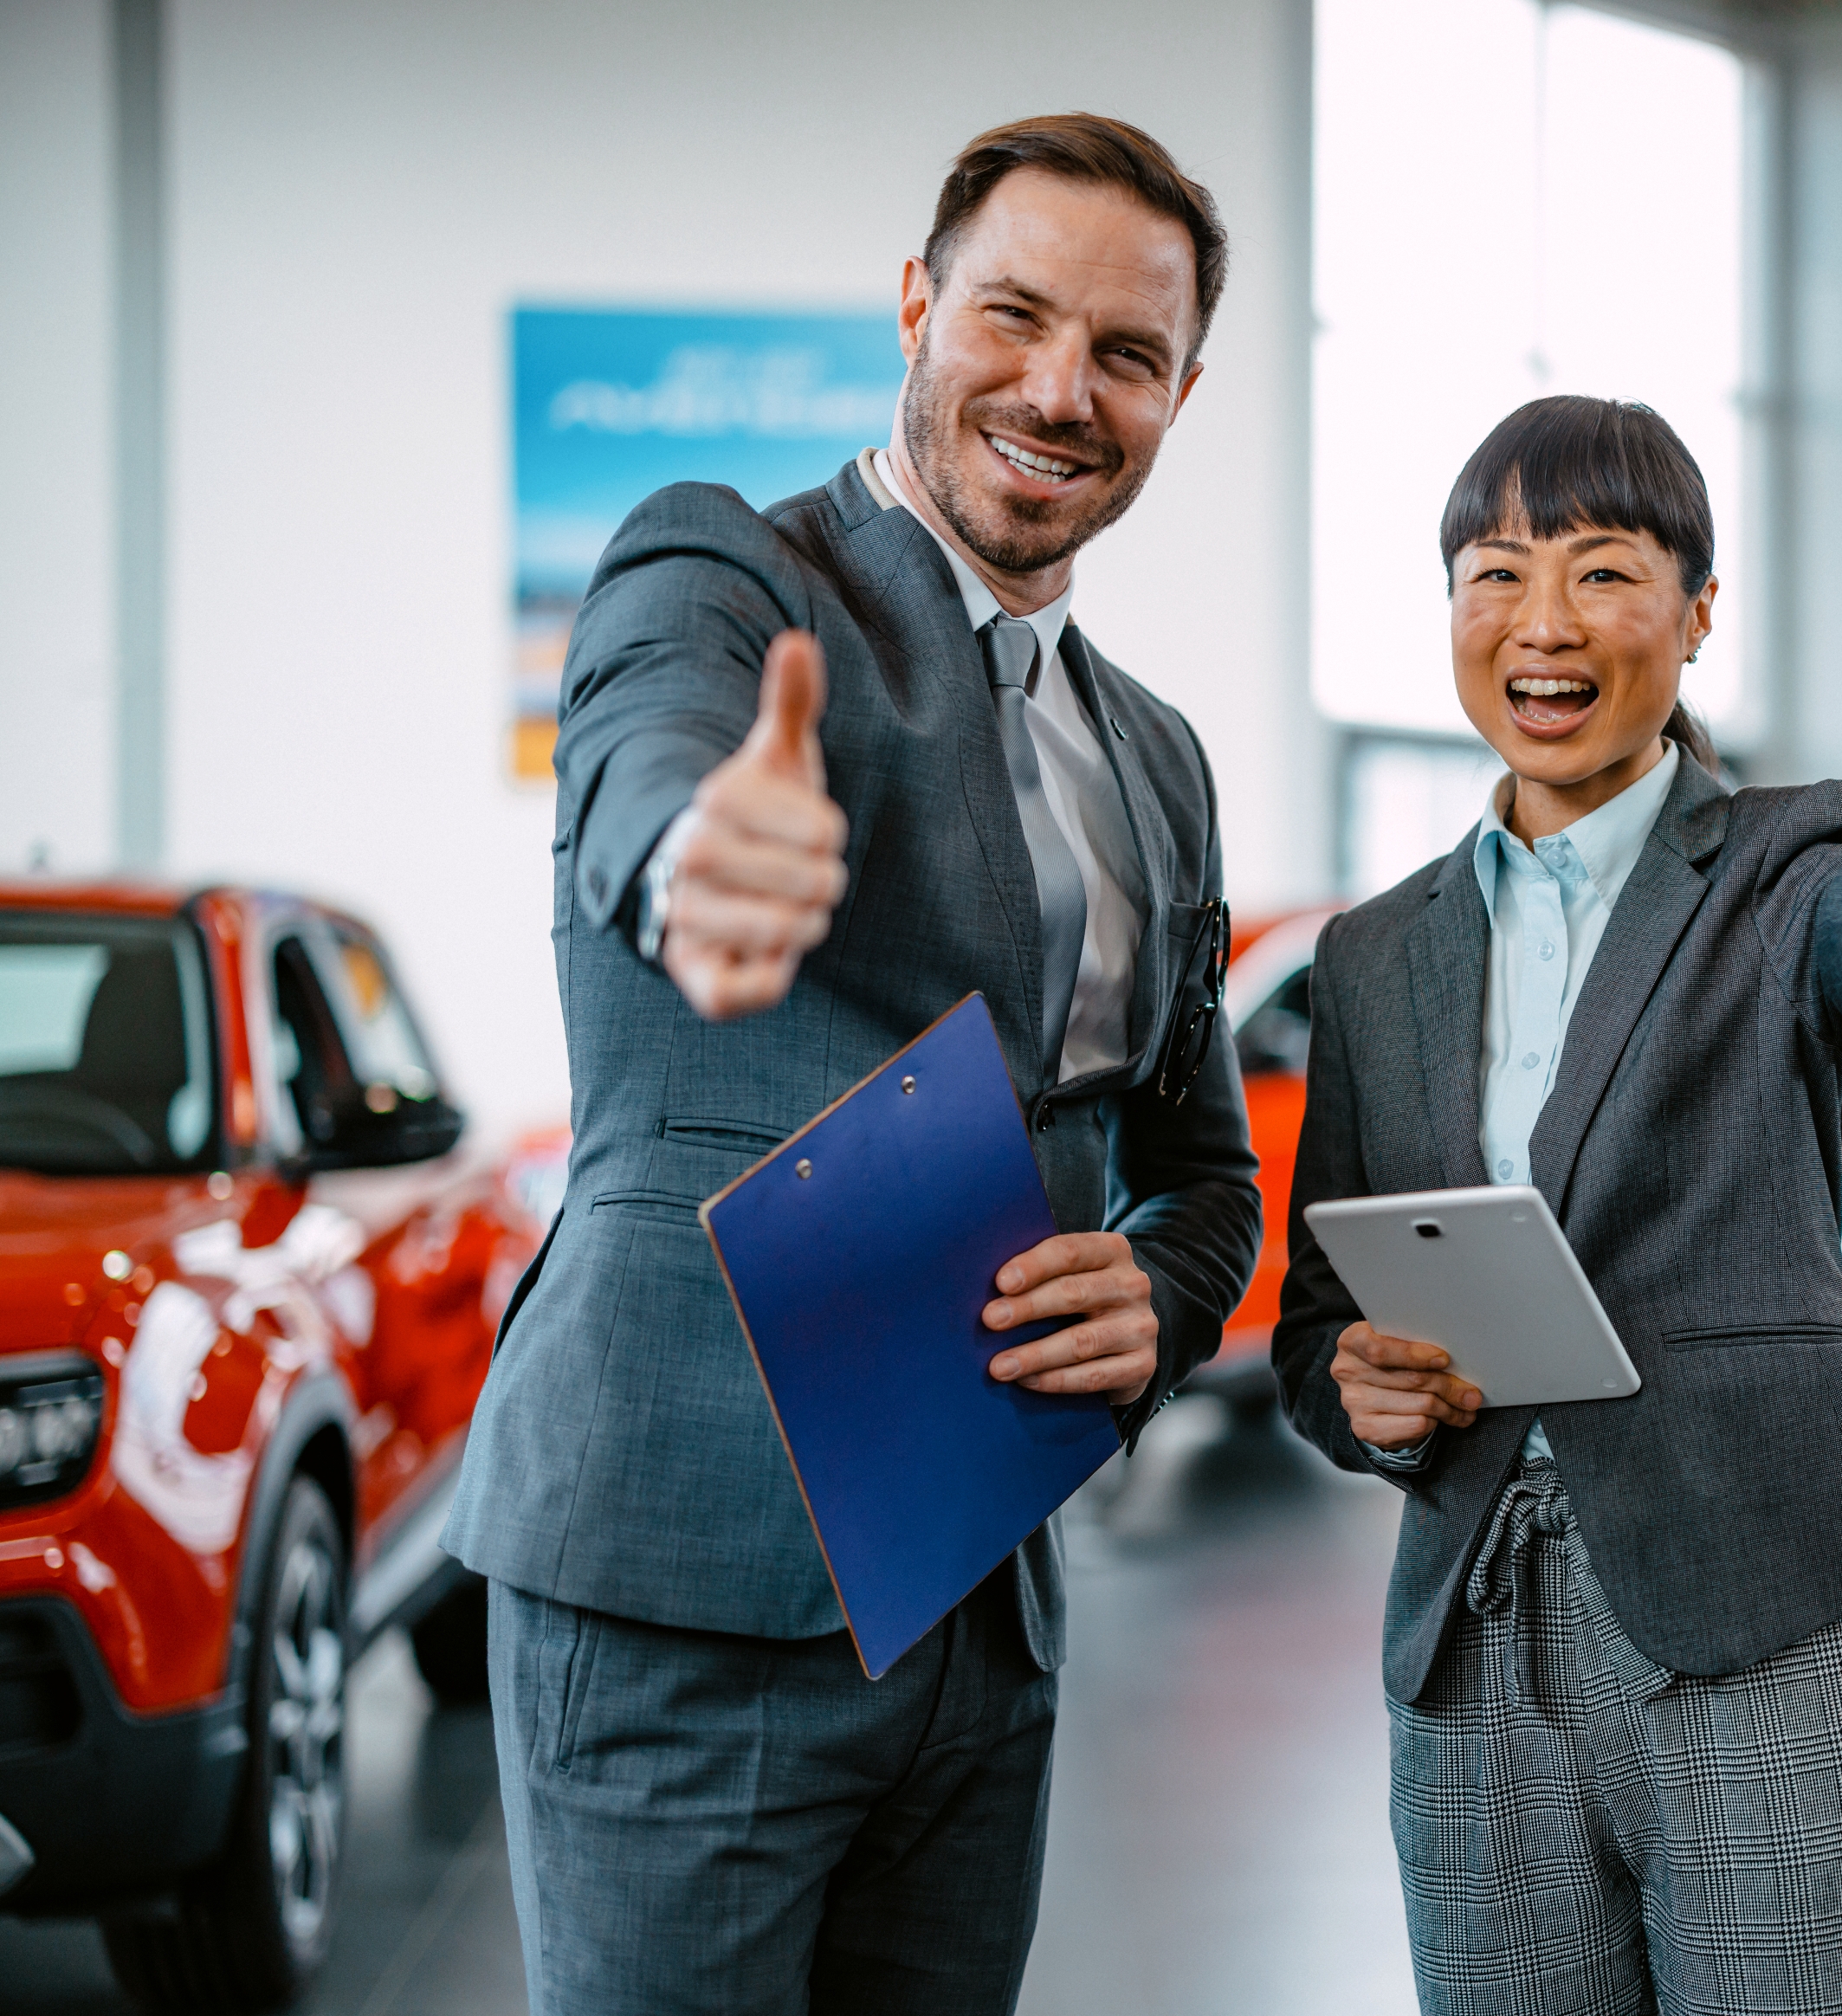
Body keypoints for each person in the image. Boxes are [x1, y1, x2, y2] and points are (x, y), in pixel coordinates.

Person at [443, 114, 1263, 2014]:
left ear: (1179, 393)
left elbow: (1202, 1175)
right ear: (915, 303)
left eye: (1125, 356)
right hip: (683, 1580)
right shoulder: (729, 575)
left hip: (984, 1601)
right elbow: (656, 735)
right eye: (1012, 316)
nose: (1060, 391)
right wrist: (688, 845)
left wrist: (1153, 1293)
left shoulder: (1156, 761)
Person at [1273, 395, 1842, 2015]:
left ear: (1696, 612)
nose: (1544, 625)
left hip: (1752, 1613)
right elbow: (1323, 1324)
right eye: (1496, 575)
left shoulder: (1786, 870)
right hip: (1471, 1648)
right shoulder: (1376, 956)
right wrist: (1358, 1392)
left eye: (1603, 574)